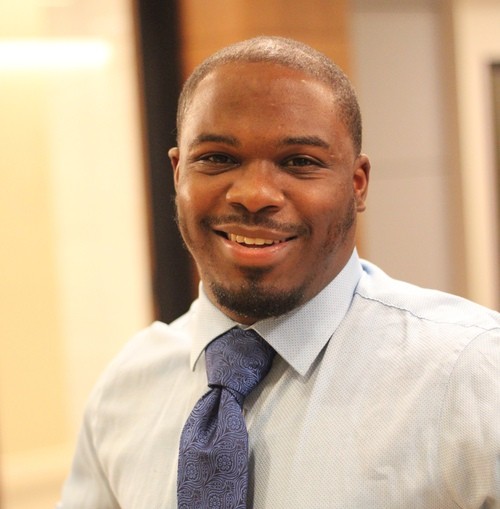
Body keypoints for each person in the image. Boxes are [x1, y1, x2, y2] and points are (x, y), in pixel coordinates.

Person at [57, 36, 500, 508]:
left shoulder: (469, 374)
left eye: (299, 162)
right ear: (178, 173)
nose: (254, 195)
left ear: (357, 185)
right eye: (218, 158)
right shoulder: (127, 389)